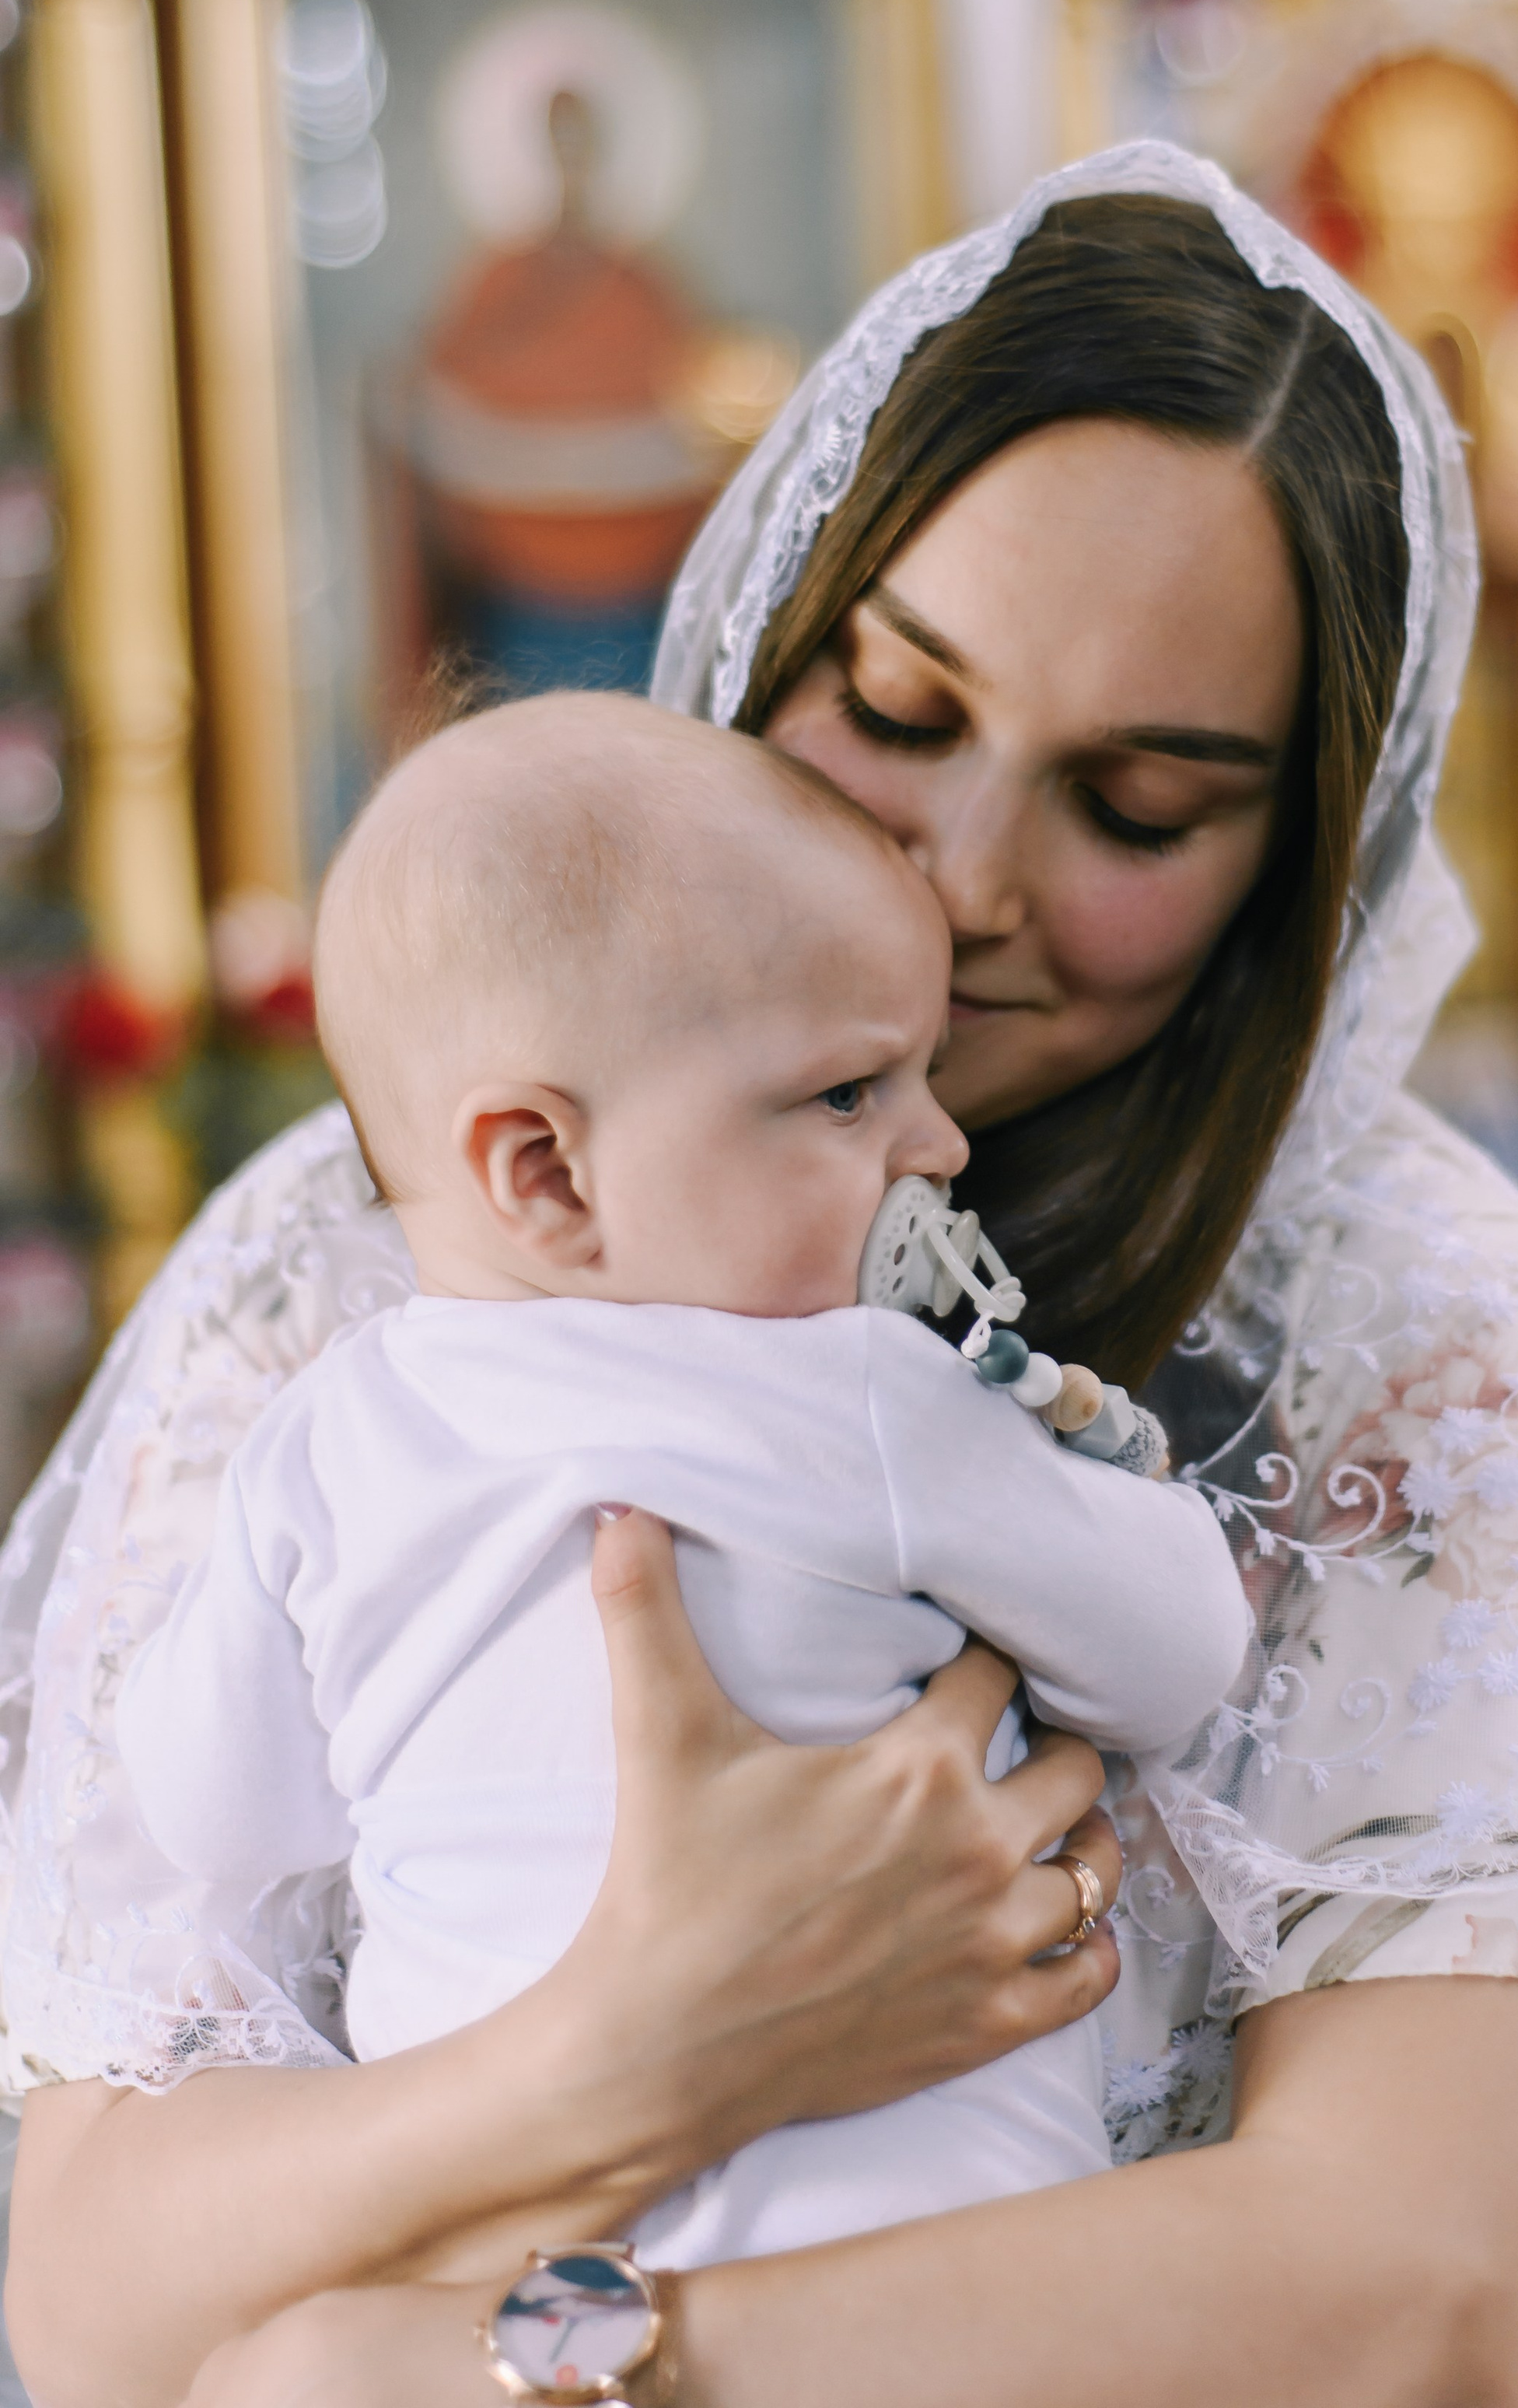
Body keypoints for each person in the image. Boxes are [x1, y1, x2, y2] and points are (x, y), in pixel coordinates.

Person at [0, 145, 1518, 2408]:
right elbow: (85, 2291)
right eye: (892, 708)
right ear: (780, 616)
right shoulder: (354, 1252)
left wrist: (536, 2371)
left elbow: (1434, 2300)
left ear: (1303, 860)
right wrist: (638, 2042)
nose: (959, 882)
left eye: (1141, 811)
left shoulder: (1416, 1334)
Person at [115, 693, 1249, 2269]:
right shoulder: (860, 1391)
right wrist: (1097, 1462)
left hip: (503, 2239)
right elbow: (1178, 1653)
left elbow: (215, 1810)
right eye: (850, 1093)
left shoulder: (315, 1445)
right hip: (915, 2253)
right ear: (548, 1172)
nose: (937, 1142)